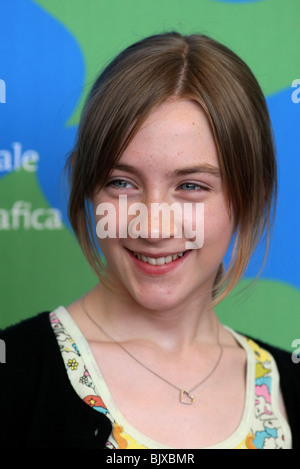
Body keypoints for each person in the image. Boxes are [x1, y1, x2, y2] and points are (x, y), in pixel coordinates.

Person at [0, 32, 299, 450]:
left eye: (191, 186)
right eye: (121, 183)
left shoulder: (291, 384)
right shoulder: (13, 373)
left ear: (252, 194)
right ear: (88, 188)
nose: (153, 227)